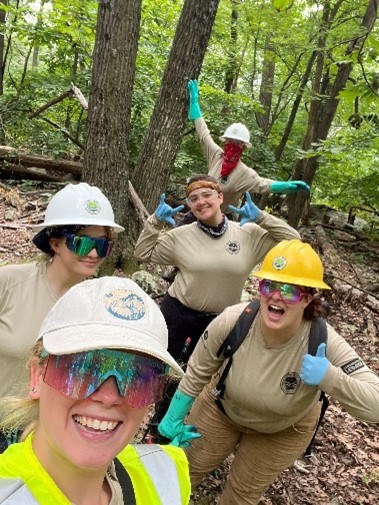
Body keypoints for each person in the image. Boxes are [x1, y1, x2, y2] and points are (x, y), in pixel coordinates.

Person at [158, 239, 379, 504]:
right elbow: (197, 372)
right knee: (185, 469)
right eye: (269, 285)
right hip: (222, 409)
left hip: (283, 429)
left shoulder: (322, 340)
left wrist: (330, 378)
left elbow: (375, 404)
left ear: (308, 298)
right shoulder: (234, 321)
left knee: (242, 495)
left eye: (290, 290)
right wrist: (172, 419)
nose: (276, 295)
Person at [134, 175, 300, 440]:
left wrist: (261, 218)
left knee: (210, 378)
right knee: (172, 374)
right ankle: (158, 431)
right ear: (189, 206)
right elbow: (142, 253)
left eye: (207, 195)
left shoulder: (248, 234)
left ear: (221, 197)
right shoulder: (181, 236)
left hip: (223, 322)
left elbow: (294, 241)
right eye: (193, 198)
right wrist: (154, 222)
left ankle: (197, 429)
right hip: (180, 316)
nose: (201, 202)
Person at [0, 276, 191, 505]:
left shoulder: (167, 475)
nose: (109, 396)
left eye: (136, 376)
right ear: (37, 376)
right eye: (81, 369)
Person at [0, 182, 124, 451]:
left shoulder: (101, 304)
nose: (93, 254)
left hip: (50, 436)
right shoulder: (9, 284)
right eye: (82, 243)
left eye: (102, 246)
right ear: (54, 243)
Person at [187, 79, 309, 215]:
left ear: (243, 148)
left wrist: (285, 186)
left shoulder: (244, 173)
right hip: (200, 214)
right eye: (230, 140)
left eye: (238, 143)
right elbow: (204, 134)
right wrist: (194, 103)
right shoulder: (216, 156)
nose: (232, 145)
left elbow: (262, 184)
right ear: (225, 142)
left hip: (221, 220)